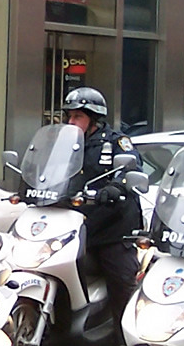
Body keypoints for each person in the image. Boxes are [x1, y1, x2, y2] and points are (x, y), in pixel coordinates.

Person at [61, 86, 143, 328]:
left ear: (94, 119)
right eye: (70, 116)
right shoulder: (65, 144)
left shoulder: (117, 142)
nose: (72, 121)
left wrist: (117, 186)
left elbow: (132, 168)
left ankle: (127, 336)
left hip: (111, 228)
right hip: (77, 225)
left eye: (78, 117)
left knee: (121, 279)